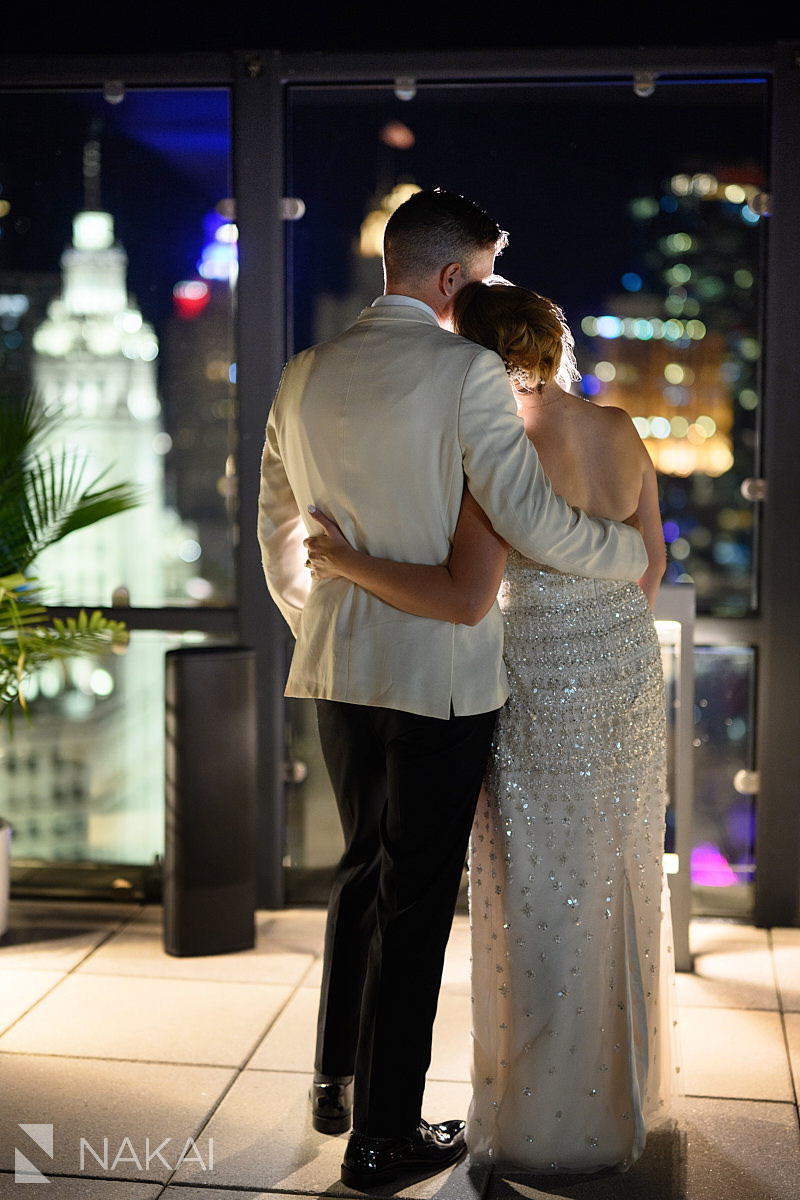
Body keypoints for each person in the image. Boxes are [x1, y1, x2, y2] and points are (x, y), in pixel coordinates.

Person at [257, 190, 649, 1191]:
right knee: (416, 899)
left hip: (339, 670)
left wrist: (328, 621)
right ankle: (383, 1133)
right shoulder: (465, 370)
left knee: (365, 876)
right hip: (440, 674)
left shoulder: (301, 373)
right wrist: (623, 555)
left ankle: (336, 1085)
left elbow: (279, 532)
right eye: (476, 277)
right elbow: (529, 518)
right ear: (450, 278)